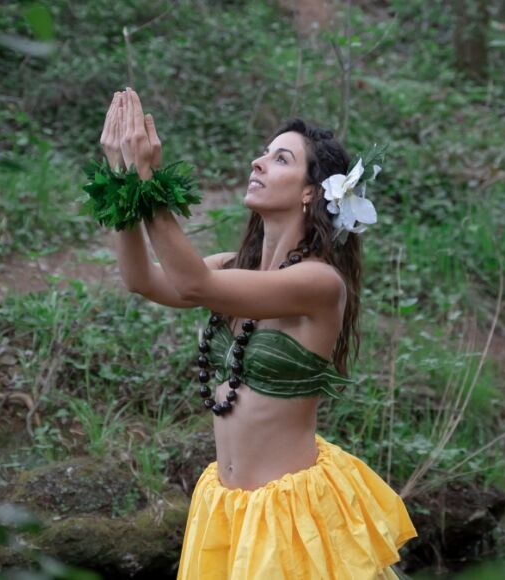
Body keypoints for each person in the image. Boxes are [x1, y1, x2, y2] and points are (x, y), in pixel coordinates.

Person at [98, 88, 417, 579]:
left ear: (312, 190)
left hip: (291, 520)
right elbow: (143, 280)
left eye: (280, 157)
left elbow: (192, 283)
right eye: (263, 152)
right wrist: (122, 176)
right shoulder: (233, 267)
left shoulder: (319, 283)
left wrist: (148, 176)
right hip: (227, 511)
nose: (259, 161)